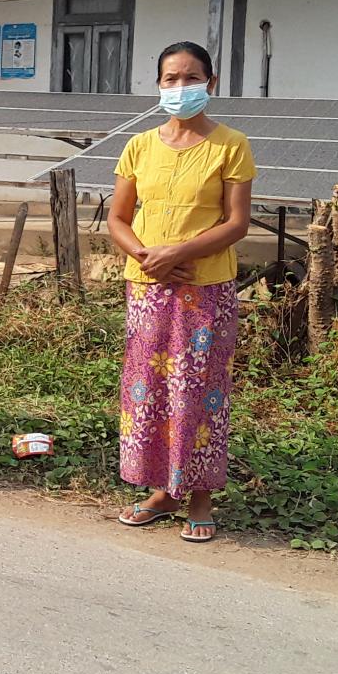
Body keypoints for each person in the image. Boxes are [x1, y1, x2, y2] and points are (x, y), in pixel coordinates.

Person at [108, 41, 255, 543]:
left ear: (210, 83)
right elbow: (118, 217)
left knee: (199, 391)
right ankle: (163, 492)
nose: (180, 87)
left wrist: (179, 252)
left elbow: (237, 222)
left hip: (205, 290)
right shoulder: (138, 146)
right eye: (170, 78)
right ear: (158, 85)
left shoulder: (231, 145)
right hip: (148, 288)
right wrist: (148, 256)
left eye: (191, 78)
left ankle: (200, 498)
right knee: (149, 391)